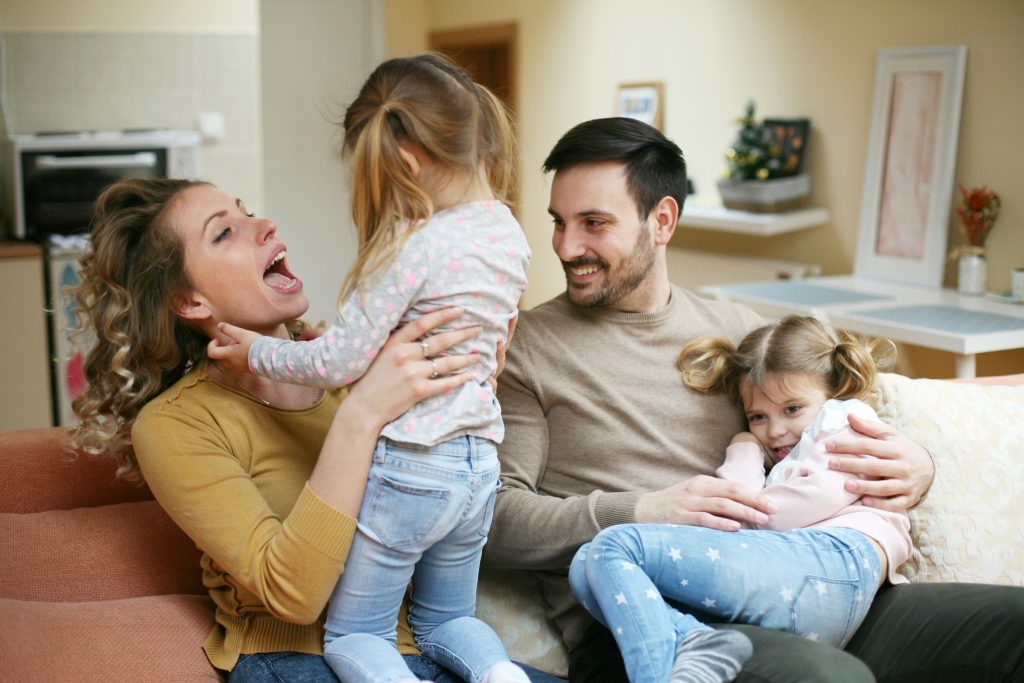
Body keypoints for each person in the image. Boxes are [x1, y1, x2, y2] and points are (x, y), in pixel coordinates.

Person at [485, 116, 1024, 682]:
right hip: (653, 625)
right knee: (826, 679)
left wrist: (918, 465)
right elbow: (494, 520)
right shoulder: (526, 348)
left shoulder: (739, 332)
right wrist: (640, 509)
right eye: (559, 223)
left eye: (593, 223)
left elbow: (833, 406)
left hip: (802, 582)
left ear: (662, 220)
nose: (567, 246)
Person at [67, 177, 558, 683]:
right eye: (224, 233)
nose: (264, 225)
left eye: (248, 211)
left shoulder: (359, 369)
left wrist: (469, 392)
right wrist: (361, 415)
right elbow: (293, 595)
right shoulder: (177, 425)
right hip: (301, 660)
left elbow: (442, 509)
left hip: (429, 648)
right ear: (191, 302)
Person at [208, 53, 531, 683]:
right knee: (445, 622)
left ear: (407, 163)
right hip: (479, 462)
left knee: (357, 634)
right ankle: (500, 674)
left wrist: (255, 351)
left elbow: (336, 361)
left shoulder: (411, 245)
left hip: (415, 464)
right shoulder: (508, 233)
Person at [569, 315, 911, 682]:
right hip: (796, 578)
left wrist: (747, 509)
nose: (775, 430)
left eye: (792, 409)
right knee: (585, 564)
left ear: (832, 391)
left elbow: (777, 508)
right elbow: (741, 502)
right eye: (758, 416)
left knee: (611, 547)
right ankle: (692, 640)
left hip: (835, 560)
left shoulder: (845, 417)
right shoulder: (782, 458)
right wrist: (745, 447)